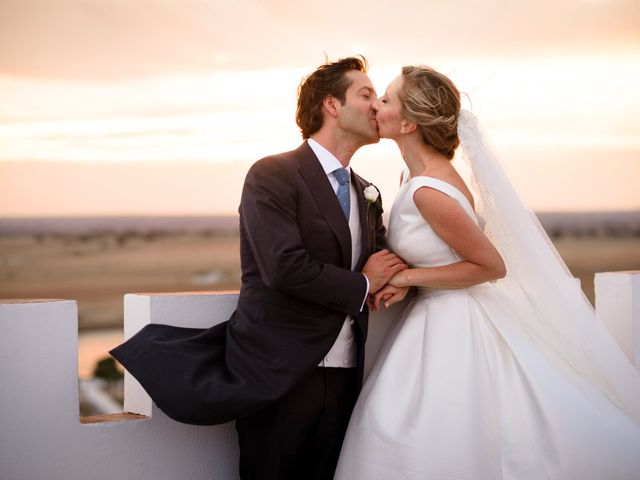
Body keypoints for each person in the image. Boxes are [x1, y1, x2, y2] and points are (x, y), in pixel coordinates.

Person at [333, 65, 640, 479]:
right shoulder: (416, 177)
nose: (376, 106)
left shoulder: (428, 190)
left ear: (407, 122)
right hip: (437, 316)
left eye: (386, 99)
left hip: (452, 324)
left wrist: (405, 279)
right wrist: (410, 271)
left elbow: (490, 266)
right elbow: (438, 251)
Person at [110, 56, 407, 480]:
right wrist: (363, 283)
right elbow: (283, 267)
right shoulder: (273, 174)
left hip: (346, 376)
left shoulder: (365, 191)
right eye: (365, 94)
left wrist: (397, 277)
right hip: (279, 374)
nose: (377, 105)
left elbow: (382, 264)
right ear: (332, 106)